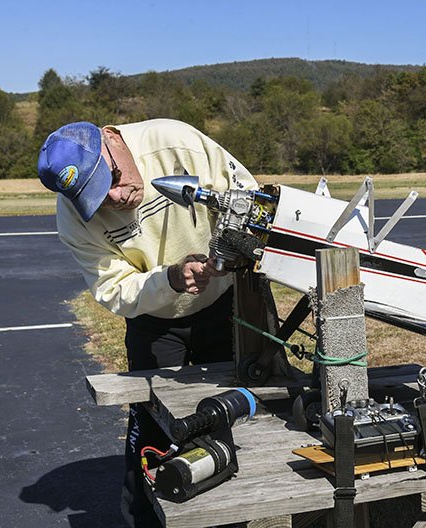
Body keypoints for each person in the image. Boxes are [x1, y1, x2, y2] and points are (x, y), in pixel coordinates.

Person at [37, 118, 258, 527]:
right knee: (152, 425)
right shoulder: (73, 218)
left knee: (231, 417)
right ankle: (144, 518)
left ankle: (229, 516)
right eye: (98, 197)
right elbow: (113, 288)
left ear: (111, 139)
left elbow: (247, 198)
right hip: (154, 320)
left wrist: (230, 256)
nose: (118, 197)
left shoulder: (174, 142)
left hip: (226, 303)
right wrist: (170, 278)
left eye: (114, 180)